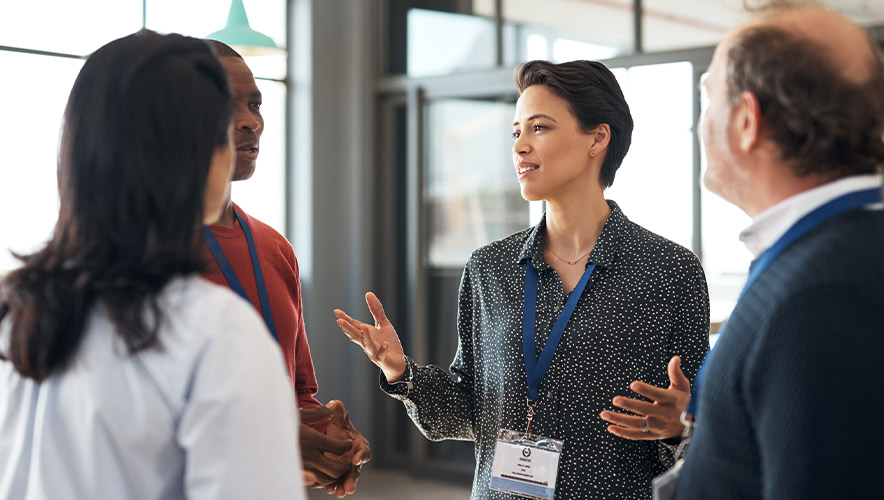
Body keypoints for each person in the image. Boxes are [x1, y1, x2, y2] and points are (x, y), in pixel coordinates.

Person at [335, 60, 710, 499]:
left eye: (540, 128)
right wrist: (401, 372)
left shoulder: (670, 271)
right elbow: (470, 412)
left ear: (597, 137)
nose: (520, 146)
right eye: (516, 132)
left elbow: (704, 431)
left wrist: (682, 424)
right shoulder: (489, 269)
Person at [0, 30, 305, 499]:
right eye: (219, 118)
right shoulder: (213, 334)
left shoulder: (21, 311)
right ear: (186, 148)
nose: (247, 126)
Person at [673, 3, 884, 499]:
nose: (697, 127)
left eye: (708, 98)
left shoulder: (822, 294)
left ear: (747, 119)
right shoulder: (829, 253)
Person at [201, 40, 370, 497]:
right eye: (225, 105)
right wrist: (266, 436)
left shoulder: (273, 247)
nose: (250, 121)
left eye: (255, 103)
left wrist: (327, 437)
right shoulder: (140, 252)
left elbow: (295, 391)